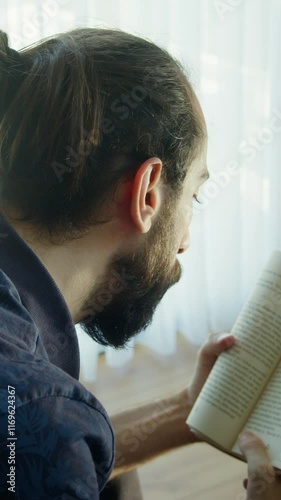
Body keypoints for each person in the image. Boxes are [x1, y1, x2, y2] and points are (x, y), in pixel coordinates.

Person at [0, 26, 279, 500]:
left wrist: (188, 408)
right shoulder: (39, 414)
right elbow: (47, 437)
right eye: (194, 194)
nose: (185, 243)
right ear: (148, 192)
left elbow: (66, 450)